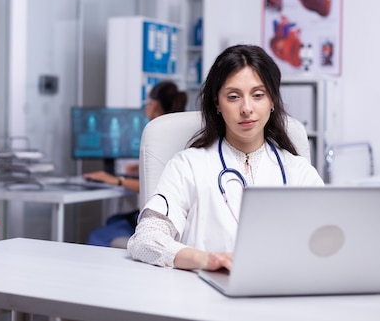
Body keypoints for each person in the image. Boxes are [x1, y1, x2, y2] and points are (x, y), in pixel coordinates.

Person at [127, 44, 324, 271]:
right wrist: (207, 260)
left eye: (258, 95)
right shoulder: (189, 166)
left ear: (272, 101)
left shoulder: (298, 171)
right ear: (217, 104)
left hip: (281, 294)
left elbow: (329, 241)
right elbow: (145, 240)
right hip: (202, 296)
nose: (246, 108)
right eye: (233, 97)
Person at [83, 81, 188, 247]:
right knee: (114, 220)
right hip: (172, 215)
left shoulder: (158, 133)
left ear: (154, 105)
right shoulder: (179, 131)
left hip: (160, 219)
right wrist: (142, 167)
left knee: (98, 235)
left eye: (147, 103)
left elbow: (153, 186)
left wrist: (116, 180)